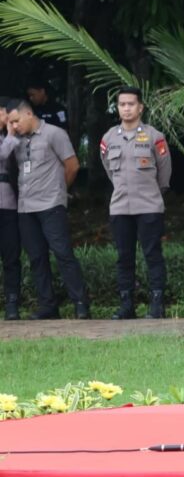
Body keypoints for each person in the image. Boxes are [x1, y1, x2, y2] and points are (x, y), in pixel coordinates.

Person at [6, 99, 90, 319]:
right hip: (25, 207)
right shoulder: (16, 141)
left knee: (62, 253)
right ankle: (48, 306)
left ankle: (80, 303)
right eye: (10, 123)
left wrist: (60, 191)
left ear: (29, 114)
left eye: (16, 121)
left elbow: (72, 166)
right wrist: (10, 135)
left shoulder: (54, 133)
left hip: (51, 204)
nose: (14, 126)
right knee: (36, 257)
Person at [100, 87, 172, 319]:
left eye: (131, 104)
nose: (127, 108)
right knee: (124, 257)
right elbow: (109, 170)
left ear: (140, 107)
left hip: (149, 205)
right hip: (120, 207)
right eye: (122, 104)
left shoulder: (154, 136)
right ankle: (126, 305)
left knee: (152, 254)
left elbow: (164, 171)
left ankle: (157, 304)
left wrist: (153, 192)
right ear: (117, 108)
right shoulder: (109, 138)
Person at [1, 97, 23, 320]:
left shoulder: (15, 136)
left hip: (8, 203)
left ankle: (12, 301)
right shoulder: (10, 138)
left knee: (11, 255)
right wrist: (10, 137)